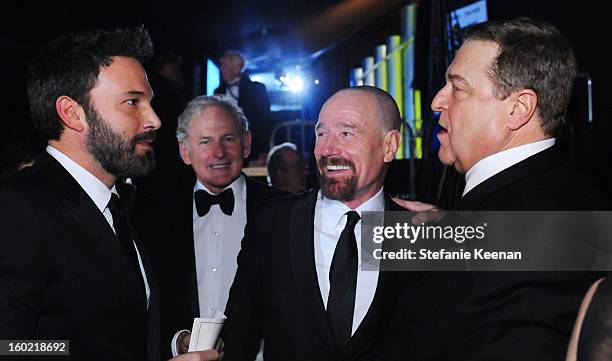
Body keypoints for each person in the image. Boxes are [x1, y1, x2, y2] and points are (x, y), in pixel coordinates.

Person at [381, 18, 606, 361]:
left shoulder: (530, 231)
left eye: (458, 87)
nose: (437, 102)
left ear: (518, 109)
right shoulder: (562, 194)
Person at [0, 27, 217, 361]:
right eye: (133, 102)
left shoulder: (121, 207)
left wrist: (175, 344)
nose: (155, 120)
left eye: (150, 103)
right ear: (72, 113)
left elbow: (120, 327)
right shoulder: (17, 208)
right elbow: (11, 347)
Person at [221, 86, 416, 361]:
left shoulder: (420, 234)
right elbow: (240, 335)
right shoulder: (273, 223)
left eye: (346, 133)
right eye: (321, 133)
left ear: (390, 145)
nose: (327, 149)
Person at [144, 95, 286, 358]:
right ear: (185, 151)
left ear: (246, 144)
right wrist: (178, 340)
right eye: (205, 141)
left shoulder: (286, 211)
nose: (218, 152)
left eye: (228, 139)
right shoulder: (156, 218)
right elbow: (152, 305)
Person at [214, 51, 271, 164]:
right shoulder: (218, 91)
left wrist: (263, 151)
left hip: (251, 147)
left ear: (237, 68)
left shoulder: (257, 89)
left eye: (225, 65)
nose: (221, 69)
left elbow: (265, 120)